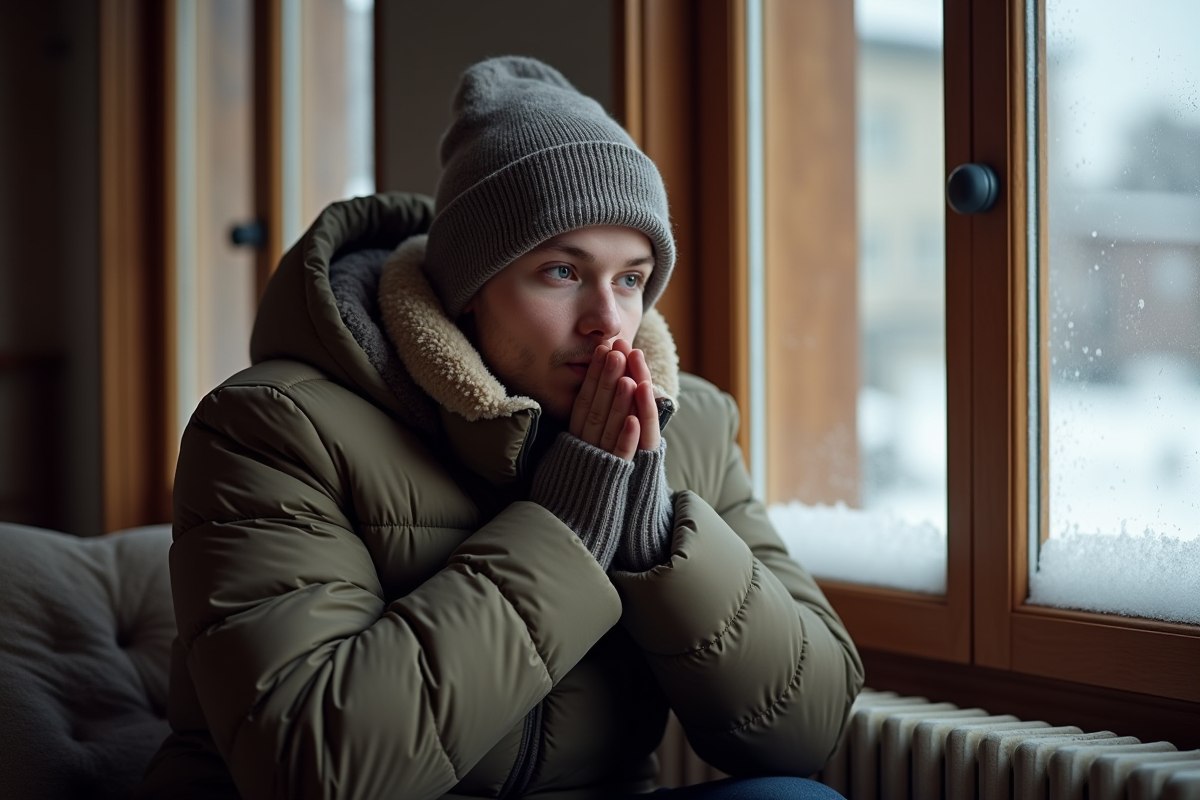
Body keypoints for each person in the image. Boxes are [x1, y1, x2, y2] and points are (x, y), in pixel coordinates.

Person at [137, 56, 863, 800]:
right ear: (468, 290)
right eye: (561, 271)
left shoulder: (690, 427)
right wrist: (567, 530)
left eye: (631, 277)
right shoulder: (275, 428)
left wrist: (653, 538)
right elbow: (314, 767)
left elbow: (804, 731)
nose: (607, 320)